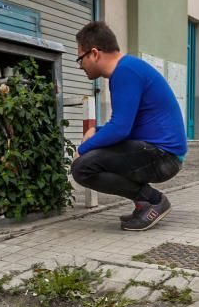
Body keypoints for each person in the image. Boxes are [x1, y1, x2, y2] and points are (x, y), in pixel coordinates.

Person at [70, 22, 187, 231]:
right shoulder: (128, 68)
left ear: (94, 53)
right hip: (161, 153)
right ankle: (144, 203)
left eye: (80, 58)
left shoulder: (125, 72)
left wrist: (82, 149)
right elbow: (126, 125)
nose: (80, 66)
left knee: (83, 168)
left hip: (163, 157)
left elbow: (120, 129)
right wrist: (96, 131)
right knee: (95, 157)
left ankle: (153, 201)